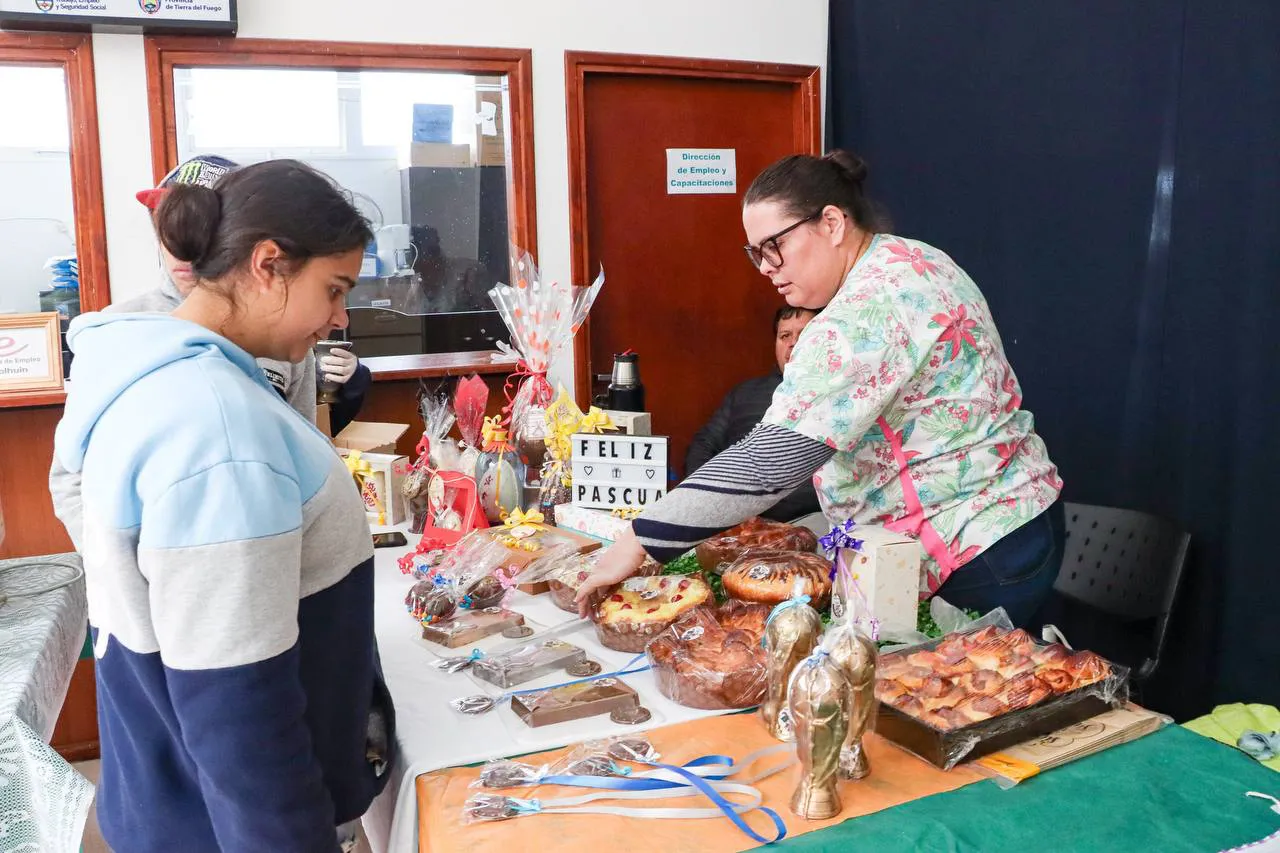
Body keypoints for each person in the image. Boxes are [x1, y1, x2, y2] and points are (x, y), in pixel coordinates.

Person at [52, 160, 394, 852]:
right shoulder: (220, 429)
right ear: (268, 264)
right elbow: (238, 706)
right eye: (333, 289)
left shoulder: (148, 372)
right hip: (224, 824)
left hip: (172, 799)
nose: (339, 318)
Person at [579, 150, 1065, 628]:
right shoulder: (914, 257)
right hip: (1017, 514)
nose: (766, 267)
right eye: (755, 254)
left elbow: (768, 463)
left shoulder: (860, 314)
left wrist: (637, 541)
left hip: (974, 540)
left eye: (774, 246)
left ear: (832, 223)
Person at [122, 154, 371, 426]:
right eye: (333, 289)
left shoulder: (290, 343)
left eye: (196, 227)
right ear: (267, 264)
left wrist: (354, 382)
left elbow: (303, 440)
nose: (179, 245)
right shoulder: (126, 337)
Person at [685, 305, 820, 521]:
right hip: (732, 518)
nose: (793, 343)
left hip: (807, 520)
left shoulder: (838, 399)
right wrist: (709, 501)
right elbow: (704, 445)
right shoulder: (745, 393)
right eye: (785, 336)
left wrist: (758, 506)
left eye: (804, 334)